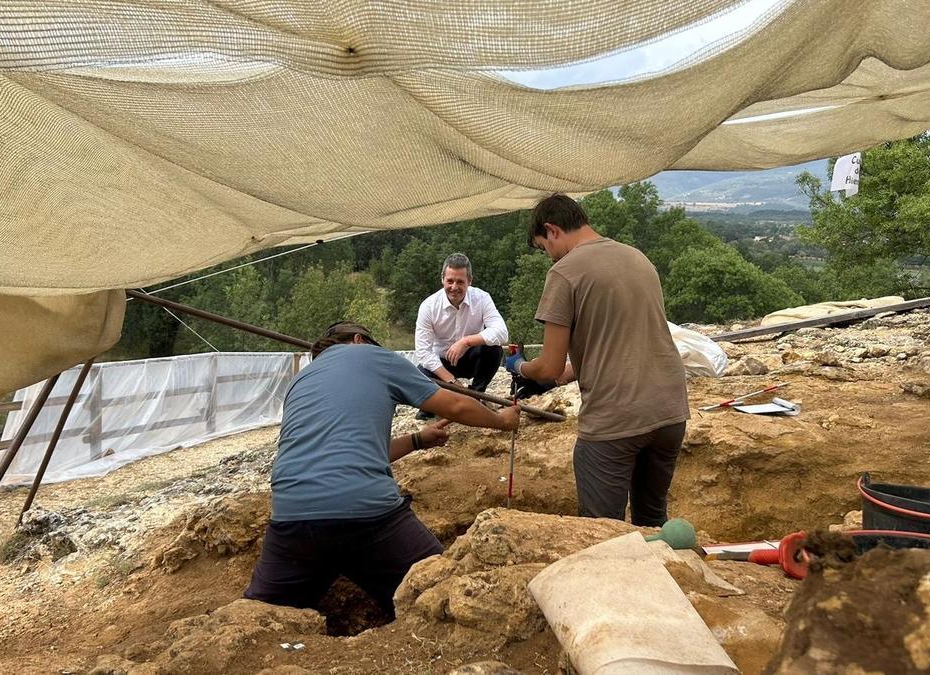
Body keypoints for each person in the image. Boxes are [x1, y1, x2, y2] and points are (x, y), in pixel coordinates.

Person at [245, 321, 520, 617]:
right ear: (359, 339)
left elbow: (352, 449)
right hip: (368, 515)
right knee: (440, 593)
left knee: (260, 615)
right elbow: (453, 404)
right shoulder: (373, 356)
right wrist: (503, 421)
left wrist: (417, 440)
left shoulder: (300, 381)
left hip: (292, 518)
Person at [504, 194, 689, 527]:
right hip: (670, 412)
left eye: (543, 247)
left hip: (615, 419)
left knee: (600, 532)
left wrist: (518, 365)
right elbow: (617, 348)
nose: (548, 257)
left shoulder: (564, 273)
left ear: (552, 230)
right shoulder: (637, 258)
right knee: (651, 518)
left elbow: (549, 369)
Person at [413, 253, 509, 418]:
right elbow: (423, 352)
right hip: (441, 365)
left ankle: (477, 395)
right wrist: (452, 382)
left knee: (494, 350)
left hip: (471, 358)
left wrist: (466, 341)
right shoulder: (428, 306)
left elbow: (502, 332)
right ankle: (434, 406)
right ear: (442, 279)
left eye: (460, 282)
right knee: (420, 373)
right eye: (450, 281)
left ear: (470, 281)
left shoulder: (482, 298)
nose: (454, 287)